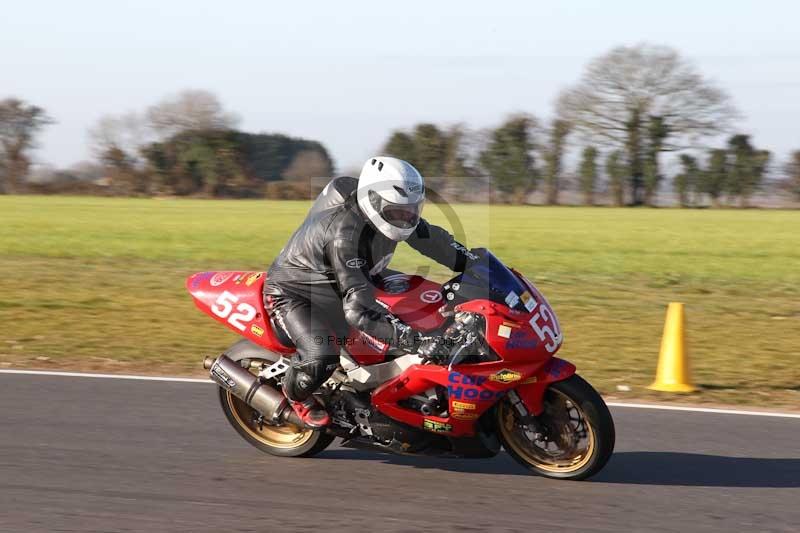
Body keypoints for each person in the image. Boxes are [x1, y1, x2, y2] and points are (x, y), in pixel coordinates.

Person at [264, 156, 474, 427]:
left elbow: (440, 243)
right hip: (296, 292)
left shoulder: (394, 213)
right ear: (373, 202)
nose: (407, 218)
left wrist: (482, 267)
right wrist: (414, 342)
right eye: (399, 211)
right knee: (322, 356)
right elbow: (358, 311)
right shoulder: (344, 236)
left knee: (428, 305)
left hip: (355, 277)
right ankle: (295, 395)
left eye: (412, 210)